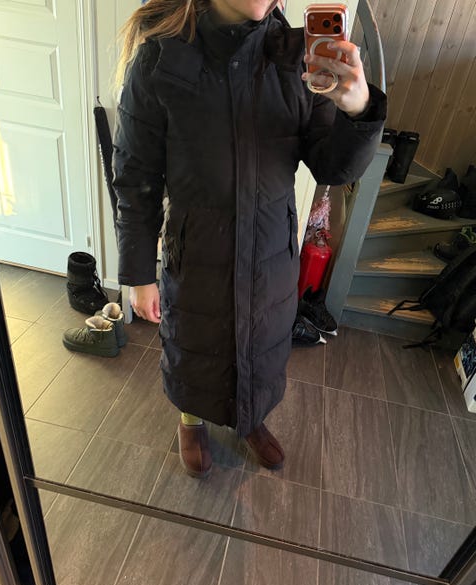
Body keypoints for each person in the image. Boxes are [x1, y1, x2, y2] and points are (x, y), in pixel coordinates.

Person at [113, 0, 387, 478]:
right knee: (195, 346)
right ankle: (192, 420)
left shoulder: (297, 57)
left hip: (270, 257)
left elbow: (333, 167)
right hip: (195, 257)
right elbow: (136, 177)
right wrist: (138, 274)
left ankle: (250, 417)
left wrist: (358, 110)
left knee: (262, 346)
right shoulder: (160, 59)